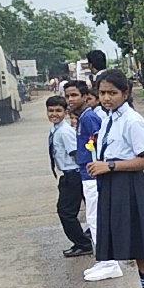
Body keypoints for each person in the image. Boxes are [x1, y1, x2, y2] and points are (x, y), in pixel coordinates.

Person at [85, 70, 144, 288]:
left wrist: (110, 165)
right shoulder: (108, 118)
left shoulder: (132, 120)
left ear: (125, 93)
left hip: (129, 185)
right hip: (112, 184)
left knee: (142, 248)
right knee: (130, 246)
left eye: (113, 93)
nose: (106, 98)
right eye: (102, 93)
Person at [68, 77, 122, 282]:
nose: (70, 100)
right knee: (92, 217)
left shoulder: (89, 117)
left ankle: (110, 262)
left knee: (96, 217)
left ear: (85, 96)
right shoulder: (82, 118)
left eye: (74, 95)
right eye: (68, 96)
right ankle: (102, 258)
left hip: (92, 172)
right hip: (86, 171)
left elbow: (100, 142)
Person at [46, 94, 93, 257]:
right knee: (67, 211)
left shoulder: (65, 132)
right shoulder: (56, 129)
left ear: (65, 112)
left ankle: (83, 244)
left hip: (74, 175)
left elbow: (76, 154)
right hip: (66, 175)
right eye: (51, 111)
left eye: (58, 111)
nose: (54, 114)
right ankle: (81, 242)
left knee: (66, 212)